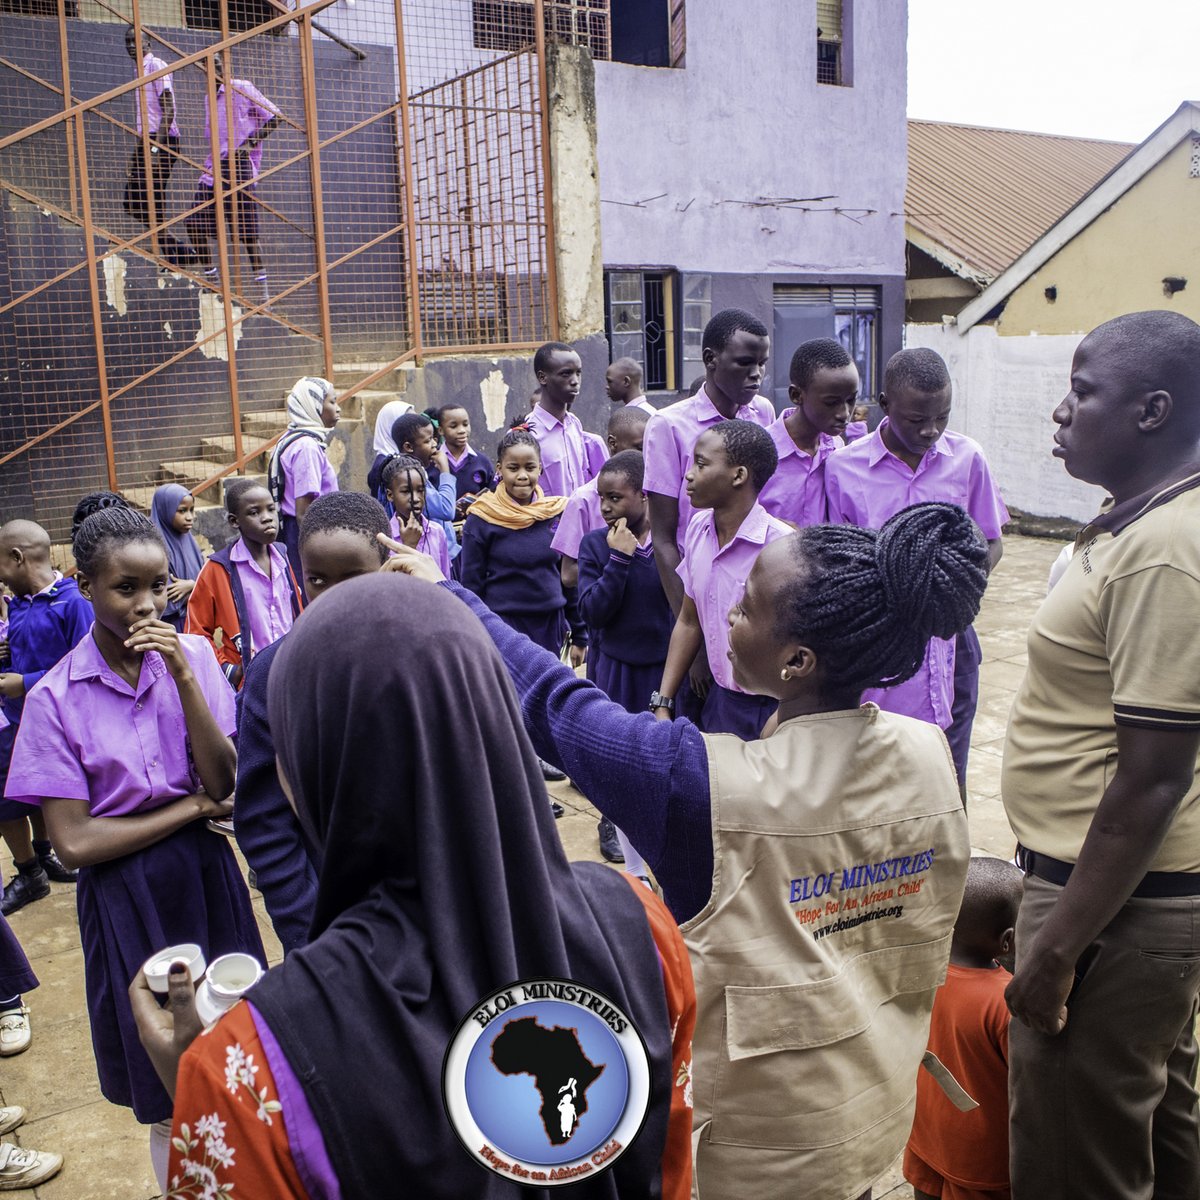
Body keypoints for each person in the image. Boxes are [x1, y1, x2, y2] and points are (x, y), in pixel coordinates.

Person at [392, 499, 987, 1200]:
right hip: (875, 1109)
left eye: (748, 605)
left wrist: (444, 591)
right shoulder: (924, 749)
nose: (725, 610)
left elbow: (556, 705)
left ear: (797, 660)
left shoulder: (701, 786)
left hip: (761, 1154)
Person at [131, 571, 696, 1200]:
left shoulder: (247, 1072)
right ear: (495, 722)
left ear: (312, 768)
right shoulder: (641, 924)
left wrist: (194, 1092)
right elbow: (669, 1170)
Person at [2, 507, 265, 1190]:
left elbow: (226, 780)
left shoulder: (196, 658)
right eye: (125, 588)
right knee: (168, 1087)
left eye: (156, 585)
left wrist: (181, 677)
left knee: (243, 1048)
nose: (147, 604)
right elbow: (77, 841)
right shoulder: (56, 699)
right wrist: (194, 808)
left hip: (208, 877)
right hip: (128, 900)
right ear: (84, 585)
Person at [1001, 311, 1200, 1200]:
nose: (1061, 412)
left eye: (1084, 394)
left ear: (1152, 410)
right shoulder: (1138, 523)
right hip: (1127, 899)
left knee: (1072, 1158)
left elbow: (1154, 774)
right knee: (1154, 1127)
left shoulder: (1164, 551)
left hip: (1110, 906)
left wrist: (1055, 950)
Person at [825, 348, 1007, 788]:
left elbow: (991, 541)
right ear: (885, 405)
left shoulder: (968, 459)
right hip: (880, 644)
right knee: (880, 771)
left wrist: (951, 589)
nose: (930, 430)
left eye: (942, 417)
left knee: (946, 774)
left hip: (951, 637)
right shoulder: (843, 469)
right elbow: (836, 559)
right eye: (916, 419)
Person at [234, 491, 390, 955]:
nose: (335, 596)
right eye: (318, 579)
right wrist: (309, 937)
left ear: (387, 565)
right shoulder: (273, 673)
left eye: (355, 578)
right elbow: (264, 821)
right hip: (328, 914)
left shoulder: (419, 653)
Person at [643, 310, 775, 709]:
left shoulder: (761, 414)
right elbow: (665, 540)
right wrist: (699, 639)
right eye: (744, 363)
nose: (756, 374)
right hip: (693, 599)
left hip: (751, 598)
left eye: (762, 364)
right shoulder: (669, 426)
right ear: (711, 359)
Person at [461, 428, 586, 787]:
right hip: (504, 625)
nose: (522, 475)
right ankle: (520, 780)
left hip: (550, 622)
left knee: (543, 696)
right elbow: (472, 584)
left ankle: (538, 759)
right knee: (509, 701)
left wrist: (579, 632)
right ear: (499, 469)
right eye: (513, 467)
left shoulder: (555, 513)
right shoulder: (482, 517)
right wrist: (478, 633)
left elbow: (568, 576)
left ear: (540, 469)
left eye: (530, 467)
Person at [655, 420, 788, 739]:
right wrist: (662, 702)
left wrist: (785, 715)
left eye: (701, 464)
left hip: (774, 710)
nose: (688, 474)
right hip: (721, 701)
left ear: (738, 475)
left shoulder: (780, 547)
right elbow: (689, 620)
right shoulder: (699, 529)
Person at [904, 857, 1022, 1200]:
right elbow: (1030, 1083)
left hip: (926, 1133)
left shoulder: (919, 973)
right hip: (983, 1158)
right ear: (1007, 940)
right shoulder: (1005, 1001)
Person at [578, 450, 671, 876]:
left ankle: (662, 849)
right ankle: (629, 861)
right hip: (614, 670)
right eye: (602, 498)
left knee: (658, 759)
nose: (606, 507)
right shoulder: (597, 545)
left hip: (661, 672)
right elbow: (593, 612)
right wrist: (619, 559)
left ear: (644, 495)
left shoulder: (673, 543)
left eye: (616, 497)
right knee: (617, 759)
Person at [0, 520, 90, 917]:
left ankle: (45, 858)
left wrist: (27, 682)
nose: (0, 580)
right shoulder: (17, 604)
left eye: (2, 567)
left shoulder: (72, 603)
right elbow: (25, 649)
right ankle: (34, 867)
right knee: (19, 794)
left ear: (18, 558)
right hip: (18, 723)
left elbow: (85, 663)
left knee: (53, 793)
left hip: (59, 724)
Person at [185, 480, 302, 689]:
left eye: (270, 509)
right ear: (234, 521)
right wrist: (230, 670)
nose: (267, 518)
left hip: (291, 674)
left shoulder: (283, 557)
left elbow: (296, 611)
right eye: (254, 512)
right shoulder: (219, 569)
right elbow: (196, 632)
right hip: (250, 684)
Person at [186, 54, 280, 287]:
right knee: (194, 222)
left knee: (248, 234)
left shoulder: (242, 87)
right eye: (209, 66)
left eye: (218, 64)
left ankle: (264, 295)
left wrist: (249, 144)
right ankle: (213, 280)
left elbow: (275, 117)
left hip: (240, 167)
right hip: (215, 167)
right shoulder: (210, 98)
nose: (216, 69)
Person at [758, 338, 857, 528]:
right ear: (796, 395)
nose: (844, 413)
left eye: (851, 400)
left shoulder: (837, 449)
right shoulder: (759, 452)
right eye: (831, 402)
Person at [552, 405, 650, 591]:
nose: (645, 454)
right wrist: (617, 559)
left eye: (649, 447)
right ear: (613, 444)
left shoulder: (653, 494)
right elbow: (568, 575)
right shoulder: (583, 500)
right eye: (639, 447)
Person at [122, 26, 190, 266]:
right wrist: (136, 156)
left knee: (153, 196)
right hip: (147, 141)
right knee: (131, 202)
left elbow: (169, 110)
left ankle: (173, 253)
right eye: (128, 42)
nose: (131, 46)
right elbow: (144, 119)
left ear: (147, 44)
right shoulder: (138, 70)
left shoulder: (155, 66)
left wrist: (154, 149)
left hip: (163, 141)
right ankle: (174, 248)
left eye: (136, 41)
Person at [267, 376, 340, 579]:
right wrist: (322, 548)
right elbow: (305, 510)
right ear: (314, 406)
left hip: (301, 529)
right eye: (332, 402)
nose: (338, 408)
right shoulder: (307, 446)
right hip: (307, 531)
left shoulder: (294, 438)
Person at [367, 412, 459, 559]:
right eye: (428, 440)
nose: (435, 445)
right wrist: (445, 470)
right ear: (408, 446)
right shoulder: (407, 479)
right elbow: (447, 509)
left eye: (434, 439)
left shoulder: (418, 473)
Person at [526, 342, 591, 497]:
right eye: (565, 374)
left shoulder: (574, 424)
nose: (575, 381)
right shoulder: (528, 433)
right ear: (543, 378)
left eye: (578, 373)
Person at [382, 453, 452, 578]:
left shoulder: (437, 532)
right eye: (405, 491)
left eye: (420, 491)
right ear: (390, 495)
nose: (415, 498)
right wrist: (409, 545)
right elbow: (387, 587)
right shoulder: (385, 538)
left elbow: (445, 579)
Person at [149, 484, 204, 631]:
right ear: (164, 510)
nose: (190, 517)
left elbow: (207, 583)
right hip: (171, 627)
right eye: (182, 511)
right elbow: (169, 598)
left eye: (191, 510)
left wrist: (193, 585)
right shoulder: (154, 547)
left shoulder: (190, 542)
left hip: (197, 622)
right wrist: (199, 589)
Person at [437, 403, 494, 513]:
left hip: (475, 525)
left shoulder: (482, 462)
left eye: (465, 424)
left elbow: (493, 494)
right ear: (441, 430)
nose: (462, 430)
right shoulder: (432, 461)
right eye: (453, 426)